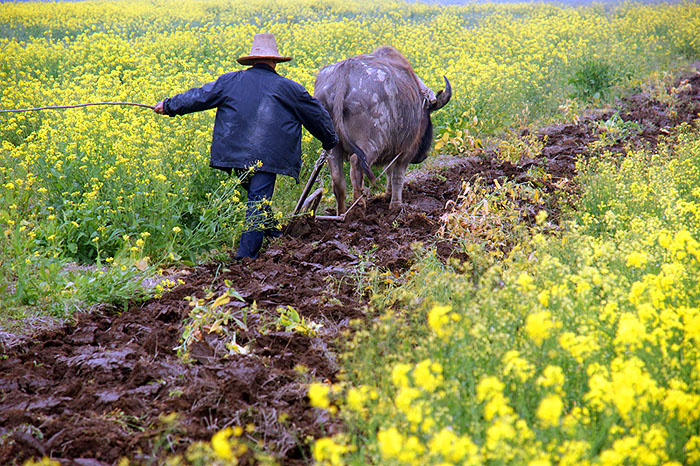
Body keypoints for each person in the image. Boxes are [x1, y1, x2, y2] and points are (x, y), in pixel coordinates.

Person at [154, 33, 338, 258]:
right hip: (269, 156)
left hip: (234, 153)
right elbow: (316, 116)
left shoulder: (229, 81)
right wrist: (330, 140)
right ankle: (246, 256)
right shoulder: (290, 88)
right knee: (257, 200)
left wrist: (169, 105)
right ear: (275, 61)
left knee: (255, 197)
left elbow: (199, 97)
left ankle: (274, 235)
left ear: (252, 61)